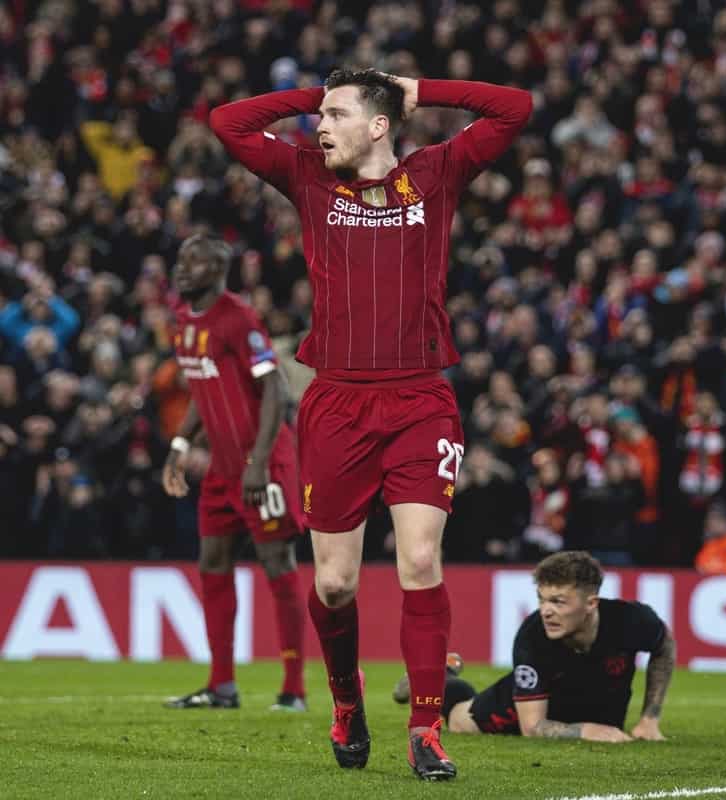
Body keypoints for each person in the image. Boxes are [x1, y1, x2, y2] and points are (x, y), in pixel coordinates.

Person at [209, 68, 531, 779]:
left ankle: (425, 729)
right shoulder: (306, 176)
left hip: (419, 400)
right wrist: (315, 94)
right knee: (335, 584)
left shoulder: (436, 173)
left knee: (420, 561)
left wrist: (417, 87)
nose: (317, 127)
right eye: (317, 116)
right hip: (337, 403)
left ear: (379, 125)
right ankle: (346, 701)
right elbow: (228, 120)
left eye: (335, 114)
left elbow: (514, 107)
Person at [161, 234, 307, 712]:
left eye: (196, 262)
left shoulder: (237, 318)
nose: (184, 269)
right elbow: (204, 392)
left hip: (260, 466)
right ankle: (222, 685)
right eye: (182, 260)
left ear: (218, 271)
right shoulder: (183, 321)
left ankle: (293, 690)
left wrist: (259, 463)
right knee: (212, 565)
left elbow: (275, 389)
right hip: (221, 472)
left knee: (276, 566)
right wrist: (180, 445)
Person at [393, 551, 676, 742]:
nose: (546, 611)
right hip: (512, 708)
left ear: (591, 604)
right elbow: (533, 727)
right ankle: (431, 677)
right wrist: (585, 731)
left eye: (558, 602)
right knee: (459, 718)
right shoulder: (532, 637)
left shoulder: (632, 620)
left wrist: (650, 718)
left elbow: (665, 647)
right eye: (542, 599)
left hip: (581, 706)